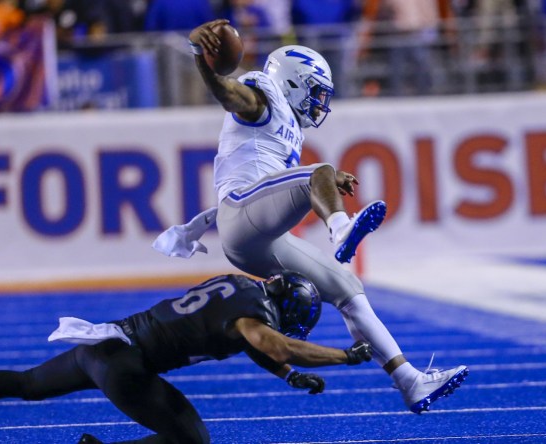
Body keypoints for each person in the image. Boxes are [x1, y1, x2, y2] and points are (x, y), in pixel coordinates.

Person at [174, 19, 468, 414]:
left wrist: (323, 181)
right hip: (241, 214)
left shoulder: (286, 124)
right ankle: (341, 229)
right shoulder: (262, 96)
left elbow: (286, 178)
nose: (319, 103)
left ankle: (409, 380)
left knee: (347, 287)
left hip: (258, 235)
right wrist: (202, 59)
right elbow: (229, 94)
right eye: (315, 92)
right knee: (318, 171)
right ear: (293, 83)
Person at [0, 272, 373, 443]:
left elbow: (256, 343)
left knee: (27, 384)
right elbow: (272, 342)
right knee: (193, 439)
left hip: (103, 345)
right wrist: (345, 357)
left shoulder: (239, 285)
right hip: (126, 367)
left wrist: (288, 376)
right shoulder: (254, 318)